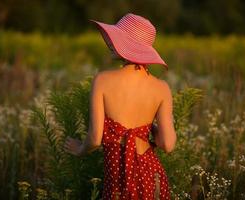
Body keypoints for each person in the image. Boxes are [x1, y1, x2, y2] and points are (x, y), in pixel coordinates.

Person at [64, 13, 177, 200]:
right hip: (151, 176)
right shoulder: (161, 88)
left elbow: (94, 139)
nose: (109, 41)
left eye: (115, 38)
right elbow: (168, 144)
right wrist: (149, 128)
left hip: (118, 177)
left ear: (129, 46)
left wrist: (79, 148)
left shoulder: (102, 80)